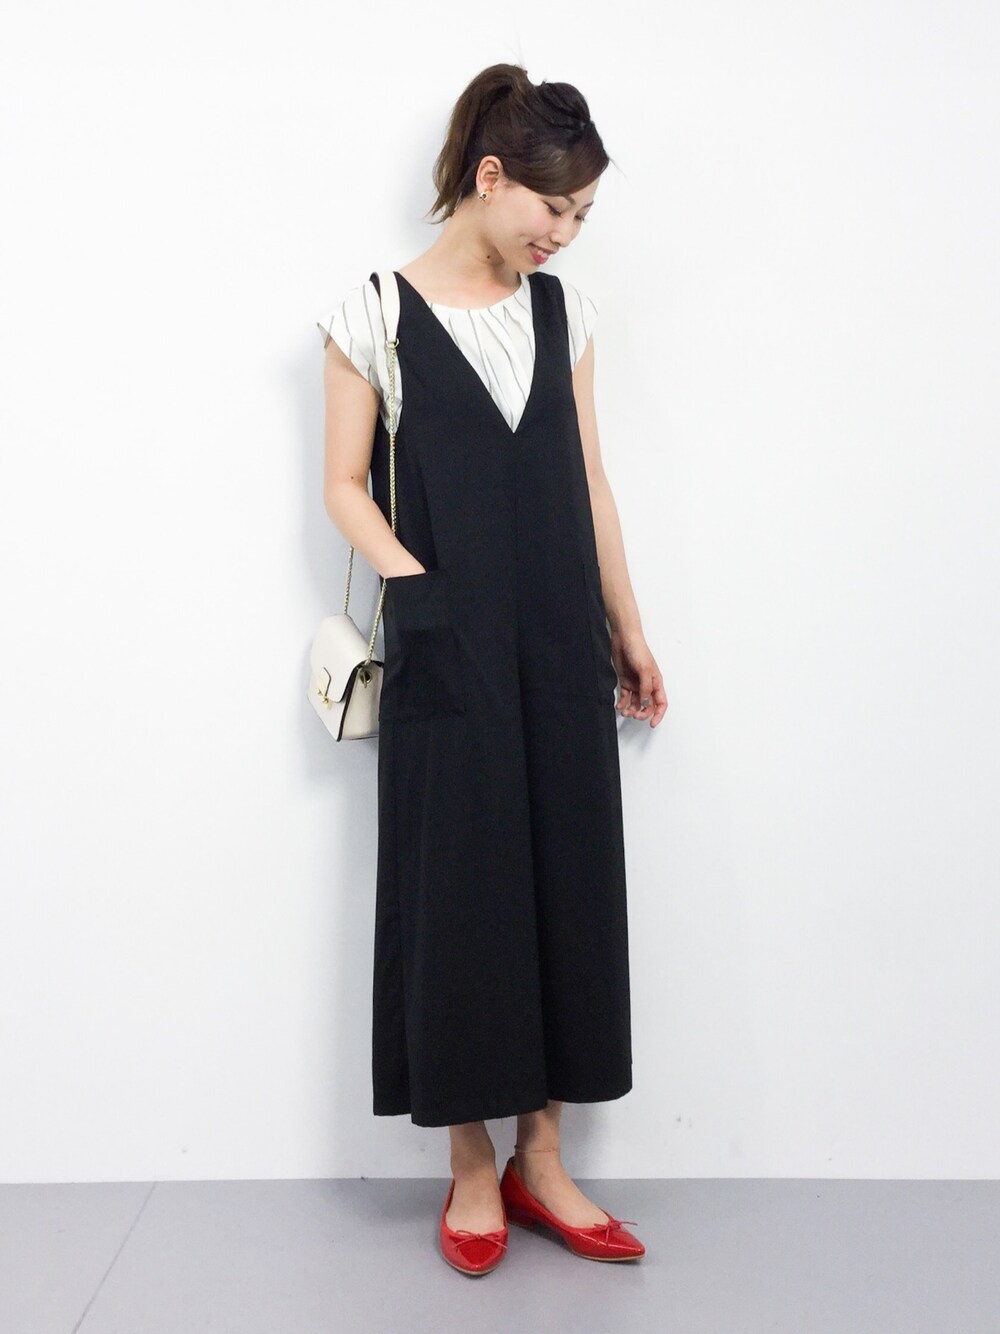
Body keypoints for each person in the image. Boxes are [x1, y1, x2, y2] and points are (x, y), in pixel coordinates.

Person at [320, 62, 668, 1275]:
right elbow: (342, 485)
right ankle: (473, 1164)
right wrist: (420, 586)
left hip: (558, 639)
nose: (562, 233)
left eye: (581, 216)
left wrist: (628, 627)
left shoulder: (561, 314)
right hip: (447, 642)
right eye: (553, 208)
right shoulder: (373, 310)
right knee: (460, 892)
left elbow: (590, 481)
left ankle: (543, 1157)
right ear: (489, 176)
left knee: (565, 879)